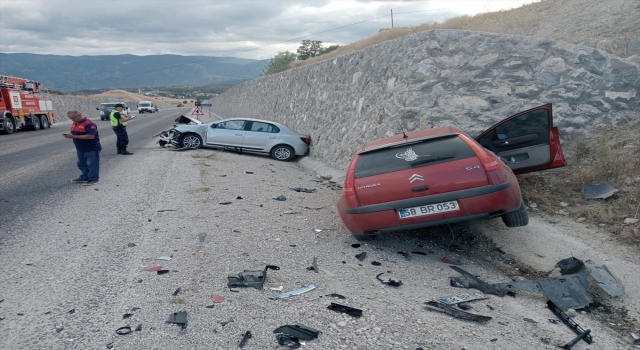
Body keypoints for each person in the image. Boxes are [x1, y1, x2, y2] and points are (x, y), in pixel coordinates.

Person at [63, 110, 101, 185]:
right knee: (81, 164)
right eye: (71, 119)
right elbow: (73, 132)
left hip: (91, 148)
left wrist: (73, 136)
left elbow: (91, 136)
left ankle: (93, 179)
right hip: (80, 148)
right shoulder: (75, 123)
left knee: (91, 164)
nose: (72, 120)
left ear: (79, 115)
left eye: (73, 118)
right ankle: (84, 177)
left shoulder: (89, 123)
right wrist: (70, 134)